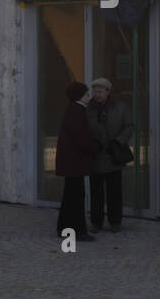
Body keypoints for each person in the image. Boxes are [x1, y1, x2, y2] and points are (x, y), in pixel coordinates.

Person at [87, 77, 133, 232]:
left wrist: (118, 141)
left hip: (113, 155)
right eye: (95, 91)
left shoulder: (120, 107)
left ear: (108, 92)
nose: (97, 94)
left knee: (114, 192)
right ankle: (96, 222)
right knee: (96, 193)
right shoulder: (88, 108)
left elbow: (128, 127)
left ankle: (115, 222)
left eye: (100, 91)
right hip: (96, 155)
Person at [54, 81, 99, 242]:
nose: (89, 97)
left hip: (71, 161)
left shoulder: (74, 110)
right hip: (74, 161)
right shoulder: (77, 111)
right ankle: (77, 231)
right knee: (76, 197)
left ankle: (65, 228)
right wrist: (95, 147)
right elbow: (81, 138)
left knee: (70, 196)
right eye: (86, 94)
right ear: (80, 96)